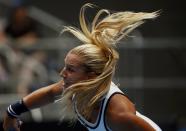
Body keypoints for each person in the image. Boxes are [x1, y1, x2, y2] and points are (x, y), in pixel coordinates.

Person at [3, 3, 162, 131]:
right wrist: (12, 112)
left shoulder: (118, 114)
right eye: (65, 67)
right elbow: (50, 93)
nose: (62, 73)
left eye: (70, 69)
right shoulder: (76, 87)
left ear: (91, 76)